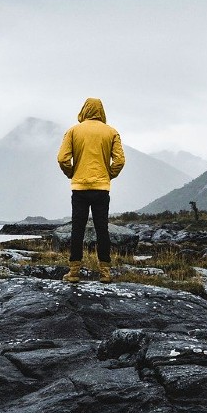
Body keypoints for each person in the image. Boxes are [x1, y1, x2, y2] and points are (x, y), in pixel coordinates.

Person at [57, 98, 125, 283]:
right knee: (102, 229)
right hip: (101, 188)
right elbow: (119, 161)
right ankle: (105, 273)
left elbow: (63, 158)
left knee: (77, 229)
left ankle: (74, 273)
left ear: (84, 110)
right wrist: (108, 175)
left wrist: (72, 173)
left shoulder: (73, 131)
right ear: (101, 111)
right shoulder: (111, 132)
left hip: (79, 187)